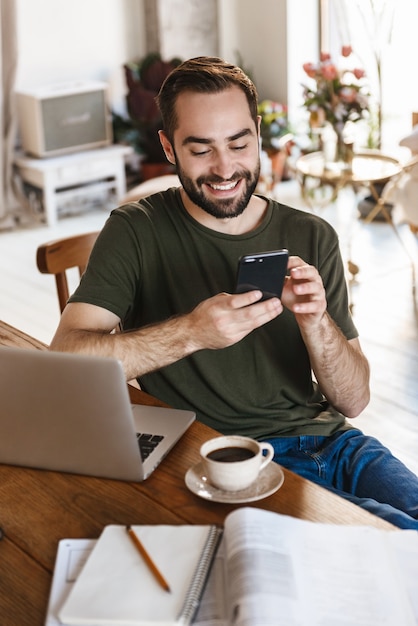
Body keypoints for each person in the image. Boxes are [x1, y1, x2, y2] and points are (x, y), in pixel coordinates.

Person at [50, 56, 418, 529]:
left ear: (258, 135)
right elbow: (67, 361)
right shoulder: (135, 230)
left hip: (337, 443)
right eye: (201, 149)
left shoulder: (312, 234)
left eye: (239, 144)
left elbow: (353, 401)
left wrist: (315, 323)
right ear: (168, 146)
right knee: (400, 542)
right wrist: (193, 332)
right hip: (228, 459)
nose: (225, 168)